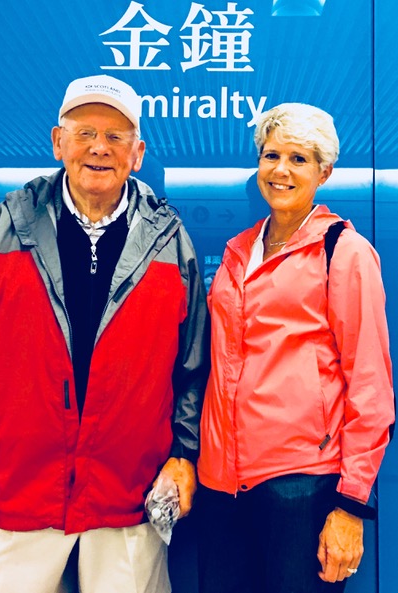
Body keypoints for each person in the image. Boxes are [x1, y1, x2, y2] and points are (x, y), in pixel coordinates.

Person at [0, 74, 209, 593]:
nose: (99, 147)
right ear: (58, 142)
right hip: (19, 491)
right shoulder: (4, 228)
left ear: (137, 153)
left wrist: (184, 455)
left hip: (129, 495)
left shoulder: (170, 241)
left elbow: (193, 367)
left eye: (116, 136)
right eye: (85, 133)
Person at [197, 102, 395, 593]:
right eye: (271, 155)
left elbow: (370, 386)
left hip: (302, 484)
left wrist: (350, 504)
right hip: (221, 484)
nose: (280, 170)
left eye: (299, 159)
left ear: (323, 173)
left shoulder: (343, 251)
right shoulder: (237, 251)